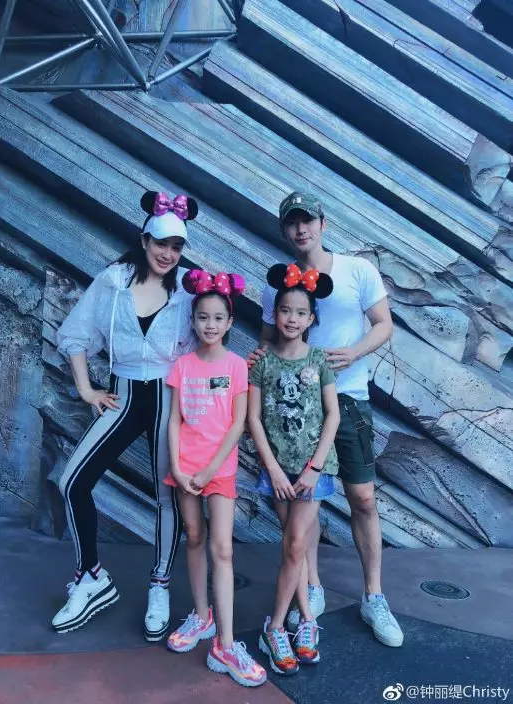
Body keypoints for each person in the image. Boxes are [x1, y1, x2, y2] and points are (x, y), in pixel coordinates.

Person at [257, 191, 404, 648]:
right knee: (306, 499)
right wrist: (258, 359)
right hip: (295, 408)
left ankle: (374, 595)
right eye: (292, 222)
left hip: (349, 397)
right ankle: (312, 585)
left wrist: (354, 353)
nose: (301, 229)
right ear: (284, 230)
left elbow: (384, 323)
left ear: (323, 224)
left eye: (308, 220)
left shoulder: (357, 270)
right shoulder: (278, 282)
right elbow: (267, 340)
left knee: (363, 497)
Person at [53, 191, 198, 641]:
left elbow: (211, 337)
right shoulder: (114, 280)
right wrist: (86, 389)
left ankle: (160, 585)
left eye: (176, 247)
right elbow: (76, 334)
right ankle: (90, 576)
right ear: (144, 239)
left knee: (167, 495)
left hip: (170, 398)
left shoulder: (189, 287)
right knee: (72, 482)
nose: (167, 254)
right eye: (161, 243)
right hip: (124, 394)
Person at [164, 269, 267, 689]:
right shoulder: (182, 366)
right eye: (203, 317)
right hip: (185, 468)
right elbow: (174, 420)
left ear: (229, 323)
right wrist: (178, 466)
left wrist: (209, 469)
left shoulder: (237, 366)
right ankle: (201, 615)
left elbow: (238, 423)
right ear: (193, 321)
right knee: (193, 537)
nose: (210, 325)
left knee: (222, 549)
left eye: (218, 318)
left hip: (219, 470)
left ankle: (225, 644)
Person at [248, 262, 340, 675]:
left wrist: (314, 468)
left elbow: (333, 415)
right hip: (278, 470)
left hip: (311, 471)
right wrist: (273, 470)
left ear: (311, 319)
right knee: (294, 546)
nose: (292, 318)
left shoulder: (319, 360)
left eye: (301, 312)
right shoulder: (262, 362)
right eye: (285, 310)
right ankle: (305, 619)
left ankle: (275, 627)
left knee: (296, 544)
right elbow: (253, 419)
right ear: (275, 314)